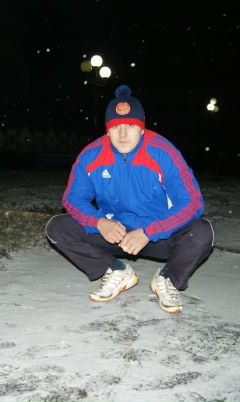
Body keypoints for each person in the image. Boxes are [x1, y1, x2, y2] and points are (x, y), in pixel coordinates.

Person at [46, 85, 215, 314]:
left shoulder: (162, 152)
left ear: (142, 129)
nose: (123, 134)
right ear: (107, 131)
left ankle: (168, 278)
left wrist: (149, 231)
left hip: (157, 235)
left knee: (202, 233)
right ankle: (116, 270)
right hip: (114, 233)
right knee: (57, 228)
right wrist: (99, 222)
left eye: (131, 126)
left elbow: (192, 202)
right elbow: (73, 198)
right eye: (116, 126)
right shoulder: (91, 155)